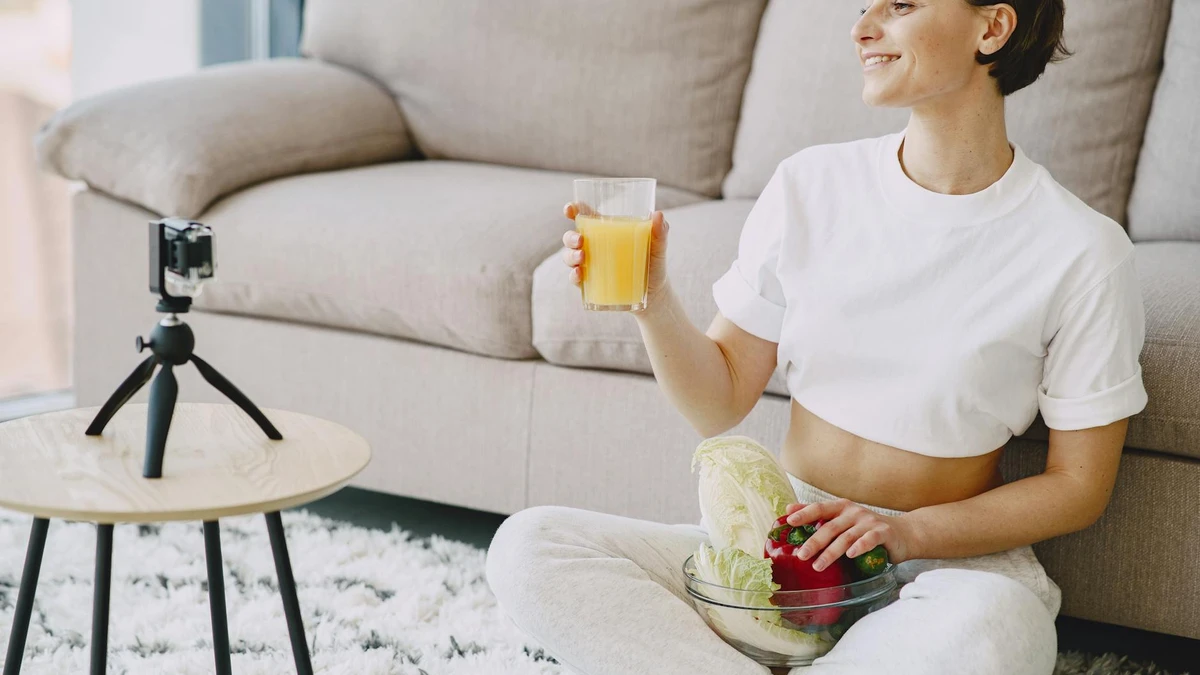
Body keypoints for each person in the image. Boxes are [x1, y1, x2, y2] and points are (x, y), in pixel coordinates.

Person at [485, 0, 1149, 673]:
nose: (862, 28)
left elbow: (1079, 484)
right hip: (779, 557)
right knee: (530, 545)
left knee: (996, 629)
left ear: (992, 27)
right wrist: (651, 300)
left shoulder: (1081, 250)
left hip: (938, 571)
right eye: (864, 7)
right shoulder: (810, 184)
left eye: (901, 6)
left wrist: (905, 531)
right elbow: (717, 403)